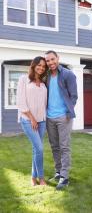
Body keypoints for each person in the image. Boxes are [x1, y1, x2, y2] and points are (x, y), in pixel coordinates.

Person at [45, 50, 78, 190]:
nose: (50, 62)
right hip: (49, 116)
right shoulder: (45, 76)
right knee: (54, 146)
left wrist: (66, 112)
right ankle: (58, 172)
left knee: (64, 146)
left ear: (58, 58)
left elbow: (74, 96)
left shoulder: (67, 74)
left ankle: (65, 177)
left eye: (52, 59)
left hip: (63, 117)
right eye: (48, 60)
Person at [17, 56, 48, 186]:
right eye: (39, 65)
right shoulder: (23, 79)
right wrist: (32, 118)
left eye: (43, 66)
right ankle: (41, 178)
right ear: (33, 65)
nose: (41, 68)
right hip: (27, 120)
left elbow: (44, 103)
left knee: (36, 149)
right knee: (39, 148)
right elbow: (21, 102)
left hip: (42, 121)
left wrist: (42, 119)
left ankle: (32, 178)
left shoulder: (43, 83)